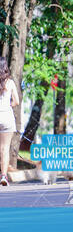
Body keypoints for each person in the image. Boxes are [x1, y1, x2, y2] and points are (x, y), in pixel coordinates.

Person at [0, 57, 19, 186]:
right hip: (6, 118)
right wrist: (7, 106)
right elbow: (16, 102)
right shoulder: (10, 83)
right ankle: (4, 176)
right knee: (4, 148)